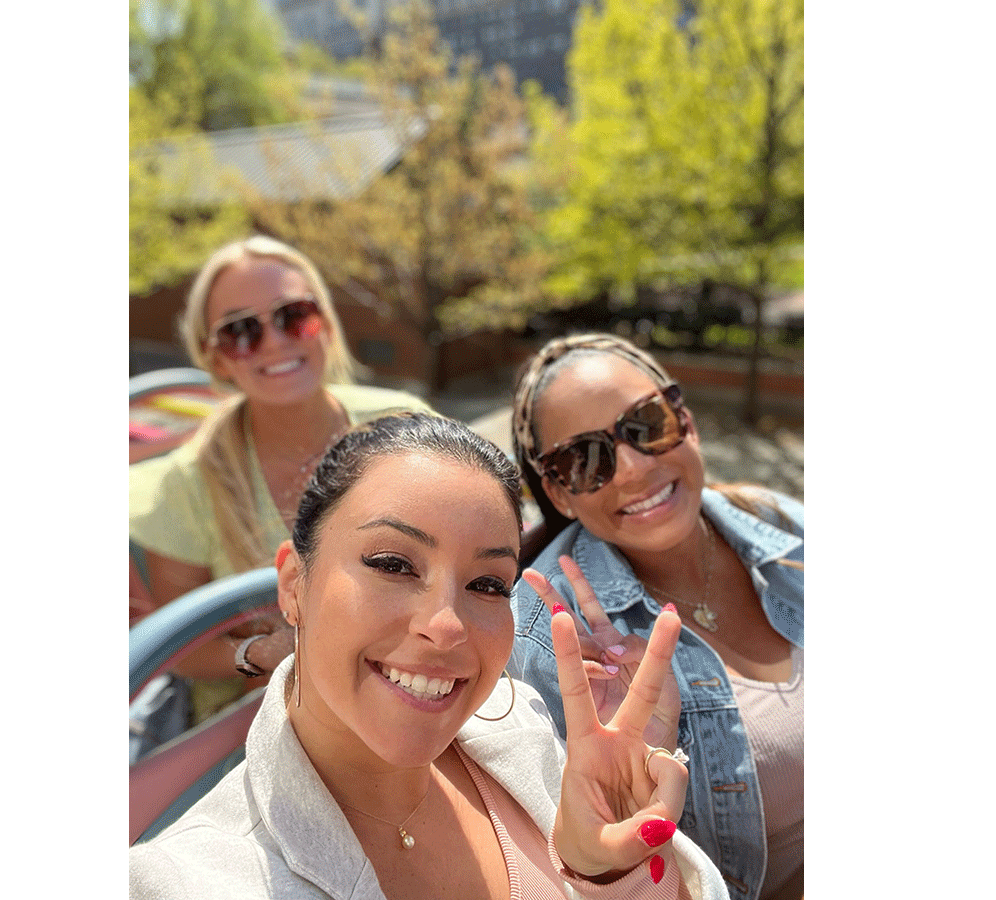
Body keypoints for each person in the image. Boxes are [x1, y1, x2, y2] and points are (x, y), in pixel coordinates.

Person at [129, 413, 729, 900]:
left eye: (488, 584)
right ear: (294, 585)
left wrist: (608, 874)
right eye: (392, 565)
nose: (446, 626)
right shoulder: (179, 882)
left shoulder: (523, 728)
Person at [507, 335, 803, 900]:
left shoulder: (783, 524)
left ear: (685, 420)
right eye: (585, 459)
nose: (634, 469)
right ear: (557, 491)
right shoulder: (550, 634)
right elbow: (569, 867)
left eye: (647, 423)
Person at [129, 235, 434, 731]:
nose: (275, 342)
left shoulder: (407, 428)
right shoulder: (186, 484)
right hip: (257, 728)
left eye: (294, 315)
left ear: (326, 326)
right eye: (241, 331)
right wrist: (259, 653)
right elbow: (184, 649)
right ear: (217, 359)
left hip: (411, 688)